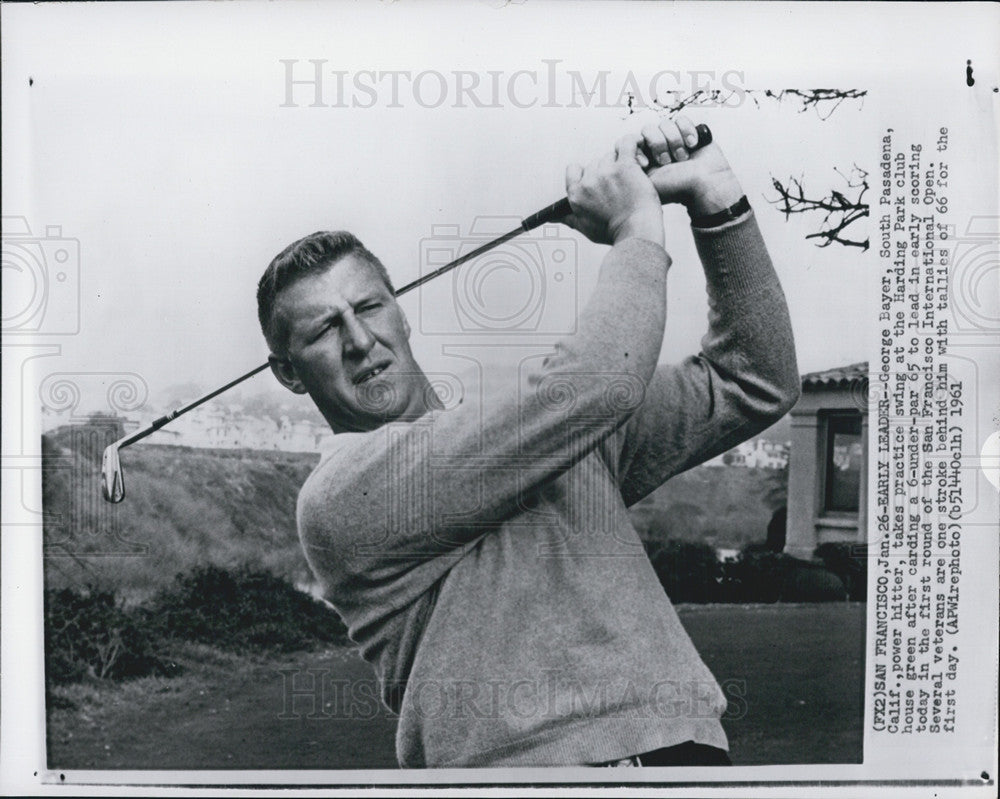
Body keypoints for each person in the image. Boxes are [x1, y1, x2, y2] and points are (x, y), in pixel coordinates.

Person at [256, 115, 800, 768]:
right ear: (288, 372)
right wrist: (636, 230)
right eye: (323, 329)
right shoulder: (342, 495)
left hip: (685, 758)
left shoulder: (551, 427)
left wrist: (718, 205)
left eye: (368, 308)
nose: (359, 341)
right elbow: (597, 383)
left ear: (400, 311)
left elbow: (754, 380)